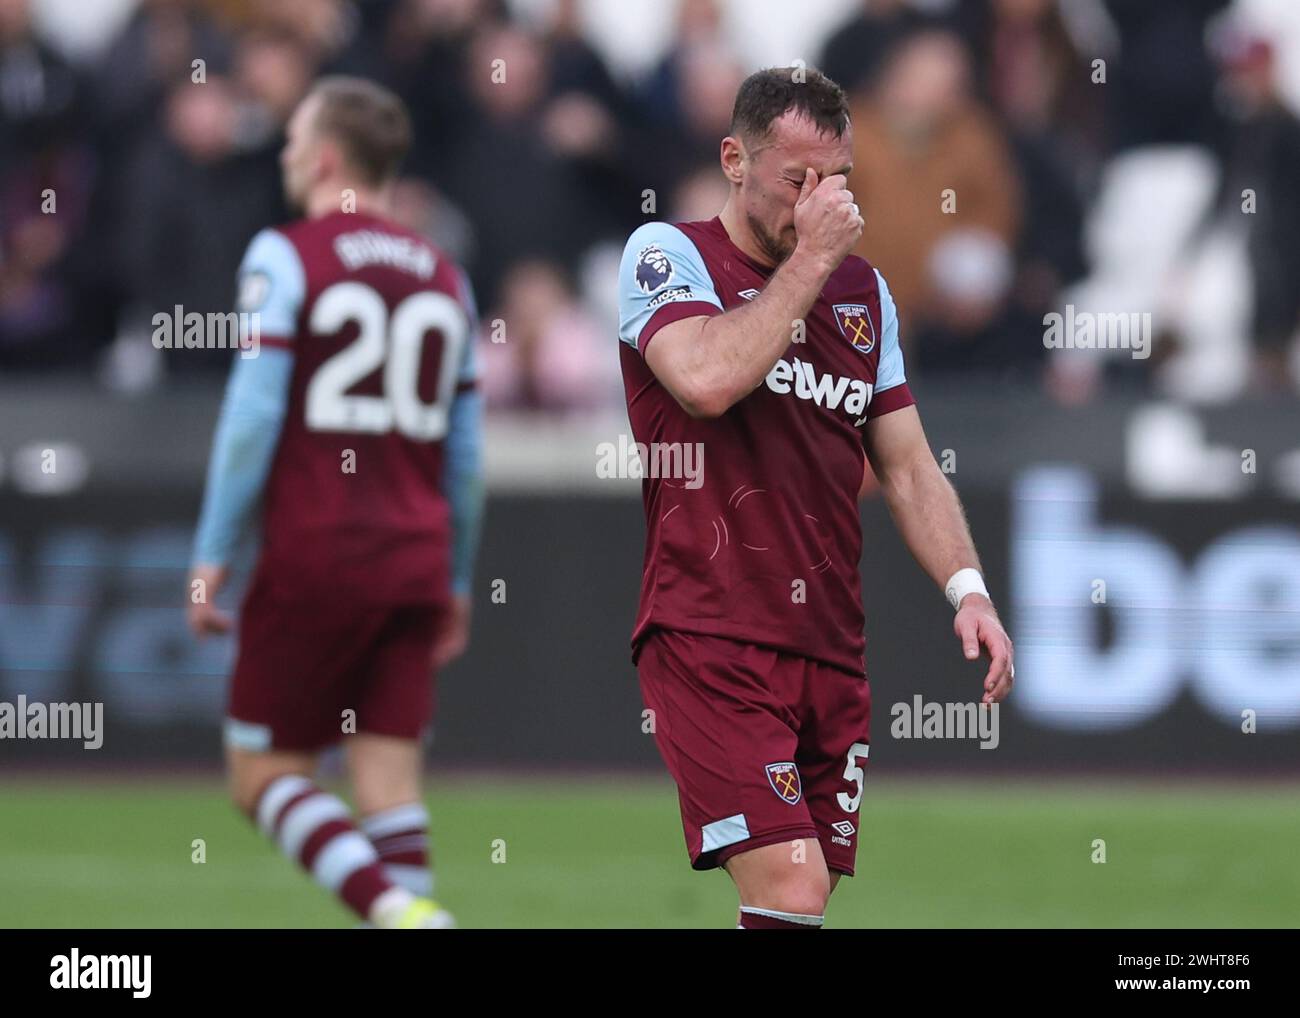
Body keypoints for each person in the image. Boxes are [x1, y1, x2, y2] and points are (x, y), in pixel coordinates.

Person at [617, 67, 1014, 929]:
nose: (819, 200)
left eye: (837, 180)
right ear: (734, 158)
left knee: (797, 908)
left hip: (829, 644)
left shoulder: (864, 295)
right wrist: (812, 260)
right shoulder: (669, 254)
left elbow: (907, 465)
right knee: (791, 885)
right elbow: (706, 379)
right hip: (710, 627)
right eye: (797, 180)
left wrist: (969, 589)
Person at [187, 77, 483, 929]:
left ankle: (395, 910)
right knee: (388, 780)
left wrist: (214, 552)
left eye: (290, 143)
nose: (282, 157)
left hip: (318, 548)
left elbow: (251, 417)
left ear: (322, 158)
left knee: (263, 776)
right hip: (416, 556)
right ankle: (410, 909)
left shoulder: (286, 254)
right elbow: (465, 455)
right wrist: (458, 575)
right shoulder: (446, 277)